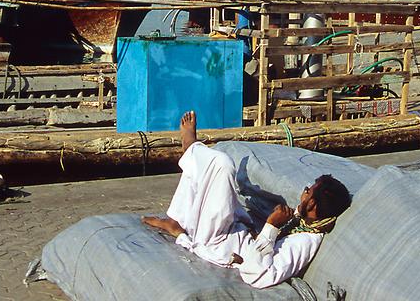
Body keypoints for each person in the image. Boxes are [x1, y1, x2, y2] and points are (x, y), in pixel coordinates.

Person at [142, 111, 351, 289]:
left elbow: (257, 275)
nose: (303, 192)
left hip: (220, 242)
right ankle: (191, 156)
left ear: (313, 204)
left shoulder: (305, 242)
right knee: (217, 181)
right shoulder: (304, 221)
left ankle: (190, 147)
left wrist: (271, 226)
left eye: (308, 190)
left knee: (222, 165)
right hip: (237, 232)